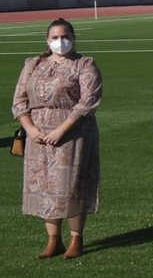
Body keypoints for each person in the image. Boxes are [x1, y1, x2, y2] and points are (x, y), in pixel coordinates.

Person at [13, 20, 102, 259]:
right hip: (38, 134)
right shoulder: (33, 64)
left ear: (73, 37)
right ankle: (53, 239)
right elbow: (19, 100)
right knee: (44, 186)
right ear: (47, 40)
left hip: (72, 132)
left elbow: (88, 101)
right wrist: (30, 128)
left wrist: (61, 130)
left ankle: (76, 238)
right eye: (54, 36)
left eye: (64, 36)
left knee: (71, 184)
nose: (59, 41)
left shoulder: (84, 64)